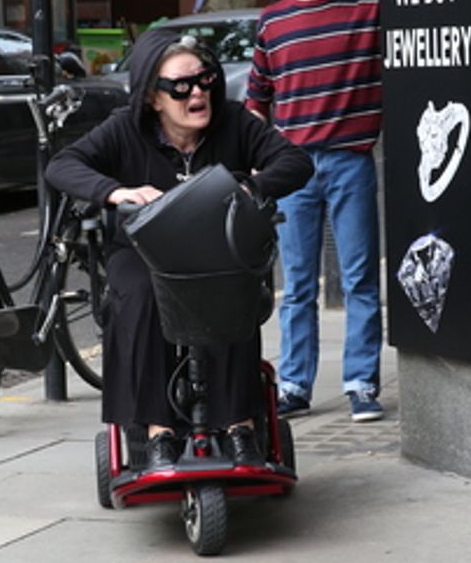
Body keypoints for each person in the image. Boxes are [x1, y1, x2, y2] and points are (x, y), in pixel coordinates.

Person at [45, 28, 312, 470]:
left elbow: (296, 162)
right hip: (143, 250)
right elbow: (62, 165)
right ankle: (158, 434)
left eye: (204, 80)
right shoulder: (124, 131)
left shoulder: (234, 120)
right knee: (145, 295)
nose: (198, 92)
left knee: (223, 292)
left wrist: (250, 185)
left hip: (215, 247)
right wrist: (116, 192)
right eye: (181, 87)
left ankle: (240, 426)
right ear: (153, 97)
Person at [245, 0, 385, 423]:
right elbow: (256, 101)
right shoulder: (274, 22)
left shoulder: (369, 8)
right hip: (292, 168)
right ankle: (294, 385)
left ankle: (362, 383)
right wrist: (258, 162)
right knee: (298, 284)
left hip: (351, 160)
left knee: (359, 278)